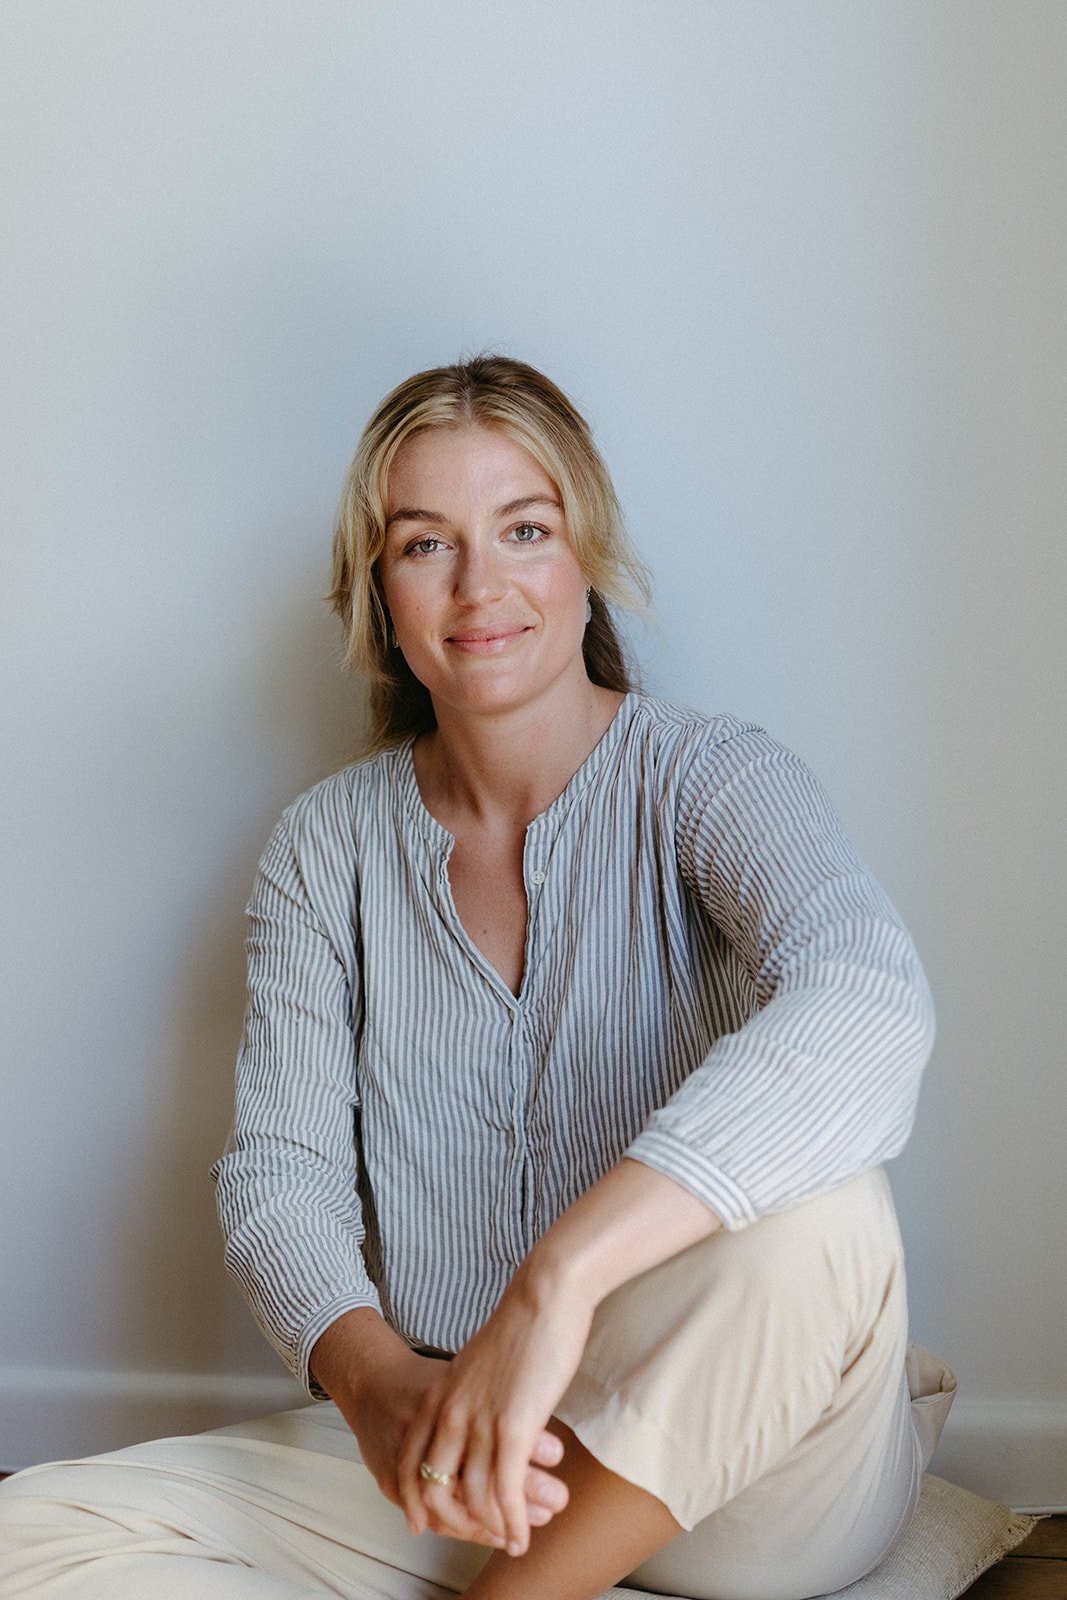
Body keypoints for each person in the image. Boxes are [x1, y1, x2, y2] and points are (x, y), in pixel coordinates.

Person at [0, 356, 952, 1600]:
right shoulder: (323, 846)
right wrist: (384, 1388)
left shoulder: (712, 778)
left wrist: (554, 1290)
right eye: (423, 544)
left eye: (523, 528)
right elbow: (278, 1179)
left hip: (741, 1469)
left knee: (829, 1218)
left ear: (585, 555)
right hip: (468, 1449)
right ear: (377, 594)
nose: (479, 583)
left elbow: (868, 1000)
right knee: (39, 1534)